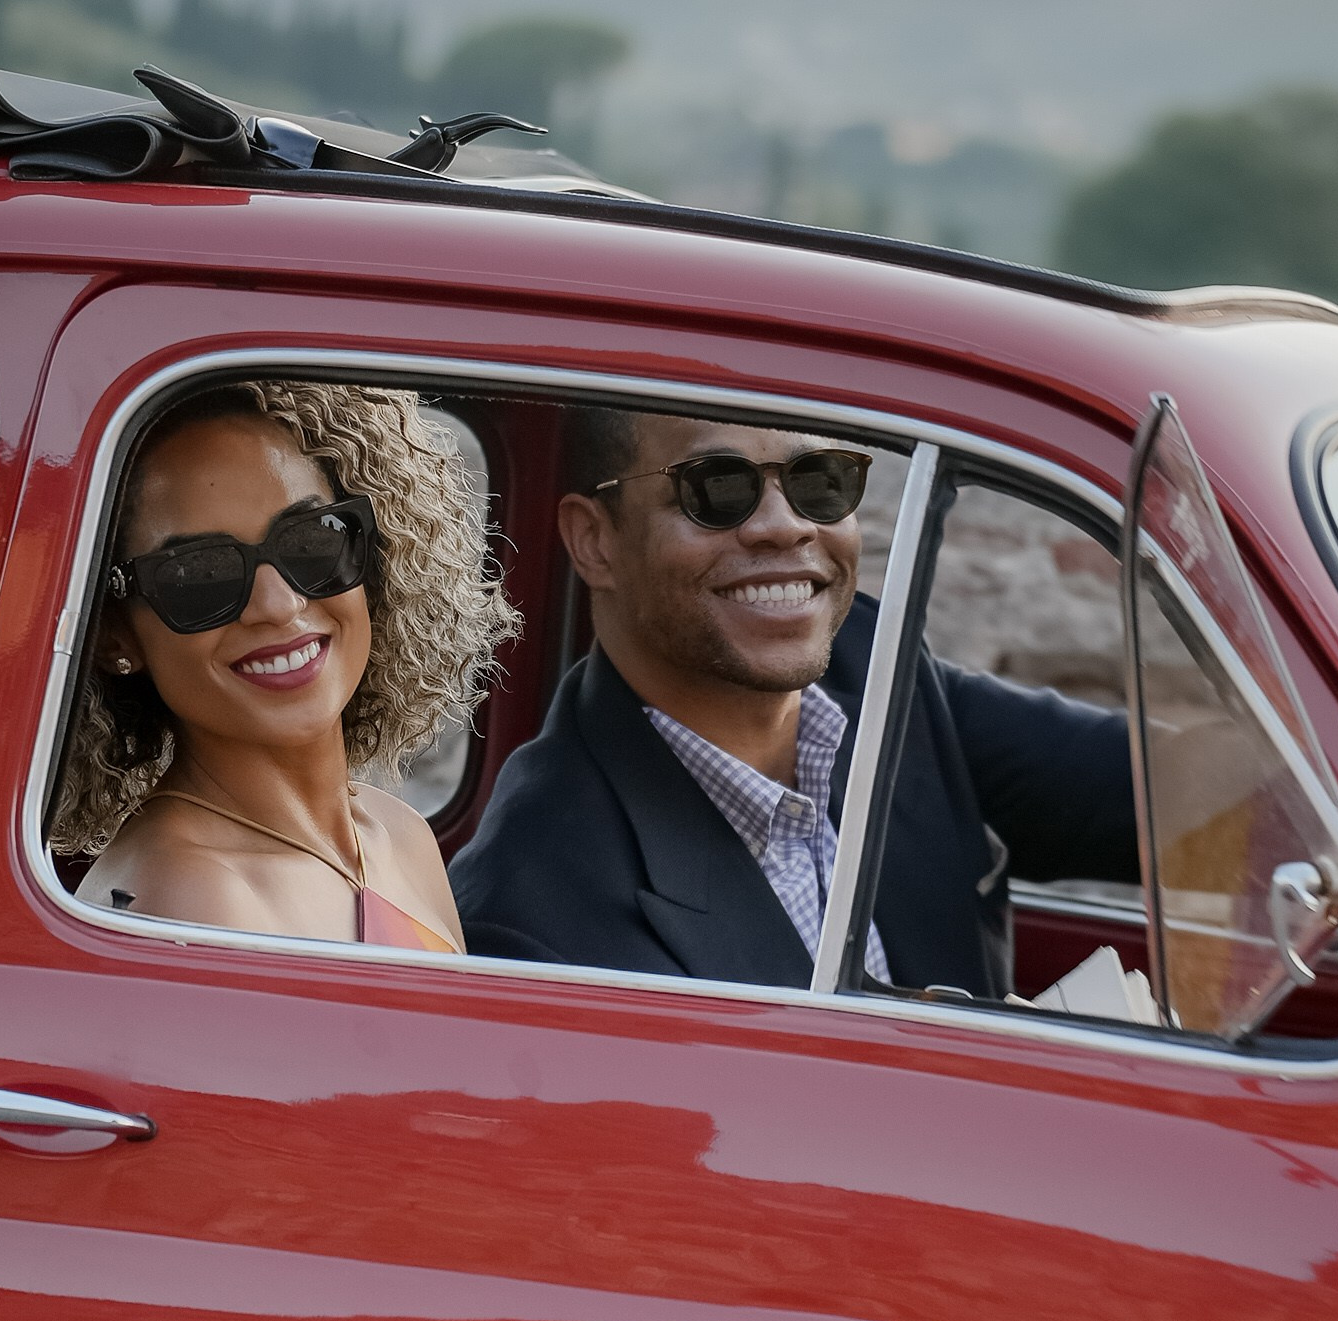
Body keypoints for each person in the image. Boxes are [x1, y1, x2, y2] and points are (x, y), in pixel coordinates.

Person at [452, 407, 1135, 991]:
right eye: (716, 488)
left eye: (819, 481)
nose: (784, 527)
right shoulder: (530, 922)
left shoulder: (874, 668)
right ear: (595, 541)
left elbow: (1138, 791)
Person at [51, 376, 515, 947]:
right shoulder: (186, 896)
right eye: (203, 573)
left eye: (311, 540)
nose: (278, 604)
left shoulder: (401, 834)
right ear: (115, 635)